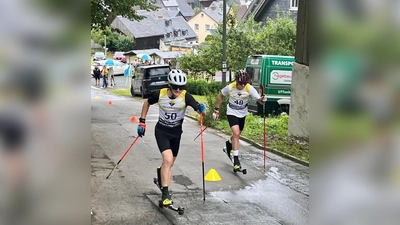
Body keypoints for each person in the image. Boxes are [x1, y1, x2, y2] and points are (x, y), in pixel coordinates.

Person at [137, 69, 206, 206]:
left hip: (176, 134)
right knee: (168, 160)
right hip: (162, 131)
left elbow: (198, 109)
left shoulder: (186, 96)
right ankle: (165, 194)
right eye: (175, 86)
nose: (178, 90)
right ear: (169, 84)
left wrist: (201, 109)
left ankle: (160, 172)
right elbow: (147, 103)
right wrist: (142, 121)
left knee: (169, 163)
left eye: (181, 87)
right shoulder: (160, 94)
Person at [212, 70, 267, 171]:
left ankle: (229, 144)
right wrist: (216, 110)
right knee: (236, 133)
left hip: (242, 113)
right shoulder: (230, 87)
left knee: (237, 134)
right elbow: (220, 96)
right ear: (236, 81)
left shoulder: (249, 88)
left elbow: (259, 100)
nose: (242, 85)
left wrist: (263, 100)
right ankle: (236, 160)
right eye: (241, 83)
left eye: (244, 83)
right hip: (232, 112)